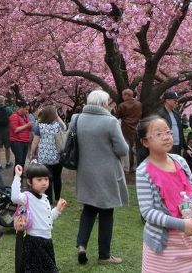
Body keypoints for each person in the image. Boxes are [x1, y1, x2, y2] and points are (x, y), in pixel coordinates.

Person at [136, 115, 192, 272]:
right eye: (158, 134)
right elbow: (148, 212)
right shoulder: (143, 171)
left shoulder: (180, 161)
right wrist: (181, 224)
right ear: (145, 142)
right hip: (162, 244)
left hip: (185, 240)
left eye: (168, 132)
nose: (166, 137)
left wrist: (191, 204)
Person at [73, 90, 128, 265]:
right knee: (106, 212)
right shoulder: (110, 121)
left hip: (85, 171)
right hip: (106, 173)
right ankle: (104, 255)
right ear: (103, 103)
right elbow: (122, 150)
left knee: (88, 209)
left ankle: (81, 245)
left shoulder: (78, 119)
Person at [11, 163, 67, 273]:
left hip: (47, 241)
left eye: (46, 179)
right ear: (29, 182)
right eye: (39, 179)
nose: (44, 183)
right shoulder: (27, 197)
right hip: (34, 242)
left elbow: (48, 219)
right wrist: (17, 177)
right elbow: (14, 197)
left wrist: (57, 210)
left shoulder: (45, 199)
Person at [29, 105, 66, 205]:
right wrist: (57, 116)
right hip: (57, 157)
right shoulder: (58, 126)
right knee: (57, 177)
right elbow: (65, 126)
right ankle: (58, 197)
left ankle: (49, 200)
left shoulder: (39, 126)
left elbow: (35, 142)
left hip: (44, 158)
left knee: (47, 178)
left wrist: (32, 153)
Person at [116, 89, 143, 173]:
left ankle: (126, 168)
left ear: (127, 95)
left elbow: (118, 116)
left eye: (123, 95)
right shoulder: (139, 104)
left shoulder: (122, 105)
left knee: (126, 148)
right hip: (137, 127)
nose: (122, 97)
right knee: (136, 148)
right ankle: (136, 167)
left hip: (125, 128)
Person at [157, 91, 185, 156]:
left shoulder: (176, 114)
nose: (176, 102)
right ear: (167, 100)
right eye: (174, 100)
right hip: (166, 146)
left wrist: (185, 147)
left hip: (177, 146)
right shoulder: (160, 114)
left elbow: (180, 131)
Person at [9, 102, 32, 169]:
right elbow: (15, 129)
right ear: (21, 107)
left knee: (23, 161)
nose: (27, 111)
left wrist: (30, 126)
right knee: (19, 160)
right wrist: (27, 125)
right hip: (16, 141)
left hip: (25, 140)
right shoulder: (14, 116)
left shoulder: (26, 116)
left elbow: (28, 128)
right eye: (26, 109)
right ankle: (17, 177)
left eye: (28, 110)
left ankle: (20, 175)